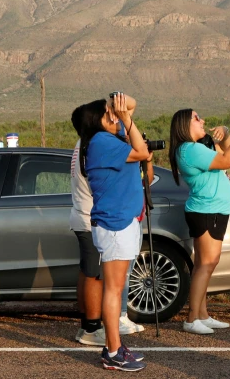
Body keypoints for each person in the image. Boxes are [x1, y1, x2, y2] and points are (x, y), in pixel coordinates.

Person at [69, 98, 151, 348]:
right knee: (100, 280)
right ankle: (99, 334)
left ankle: (92, 325)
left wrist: (124, 108)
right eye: (108, 113)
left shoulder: (86, 143)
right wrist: (125, 117)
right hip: (103, 218)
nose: (113, 116)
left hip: (90, 215)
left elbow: (130, 114)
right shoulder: (102, 143)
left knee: (91, 274)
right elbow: (142, 152)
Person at [168, 109, 230, 335]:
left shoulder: (196, 148)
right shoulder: (189, 149)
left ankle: (202, 314)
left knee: (206, 264)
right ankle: (192, 318)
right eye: (196, 118)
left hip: (213, 210)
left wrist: (228, 137)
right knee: (206, 264)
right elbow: (228, 159)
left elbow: (226, 156)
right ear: (184, 125)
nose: (202, 120)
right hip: (206, 211)